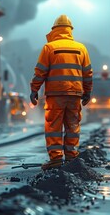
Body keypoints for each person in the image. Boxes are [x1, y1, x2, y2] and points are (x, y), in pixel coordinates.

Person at [29, 14, 93, 170]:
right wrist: (87, 92)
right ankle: (71, 157)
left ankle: (56, 159)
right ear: (70, 30)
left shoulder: (49, 48)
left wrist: (34, 90)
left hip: (55, 95)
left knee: (54, 127)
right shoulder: (81, 48)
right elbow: (88, 73)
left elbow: (40, 72)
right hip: (74, 94)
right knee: (72, 126)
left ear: (54, 30)